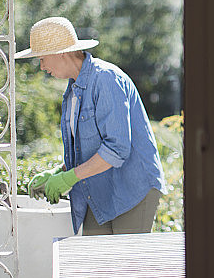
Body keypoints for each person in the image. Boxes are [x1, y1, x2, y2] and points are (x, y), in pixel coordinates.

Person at [16, 16, 167, 236]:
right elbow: (88, 149)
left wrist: (68, 178)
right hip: (101, 191)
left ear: (61, 53)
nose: (41, 67)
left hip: (132, 188)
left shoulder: (106, 79)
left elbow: (116, 149)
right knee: (98, 265)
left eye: (42, 59)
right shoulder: (72, 91)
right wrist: (58, 172)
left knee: (126, 268)